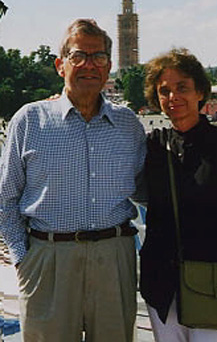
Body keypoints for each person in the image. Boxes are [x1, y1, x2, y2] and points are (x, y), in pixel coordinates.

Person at [0, 19, 146, 341]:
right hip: (49, 259)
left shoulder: (128, 125)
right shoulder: (30, 120)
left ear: (109, 67)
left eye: (99, 57)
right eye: (78, 56)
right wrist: (24, 260)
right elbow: (5, 198)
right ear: (60, 65)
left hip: (114, 258)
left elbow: (148, 191)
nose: (89, 66)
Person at [138, 48, 217, 342]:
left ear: (200, 93)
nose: (173, 98)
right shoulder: (154, 147)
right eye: (164, 91)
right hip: (163, 286)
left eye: (182, 88)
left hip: (214, 284)